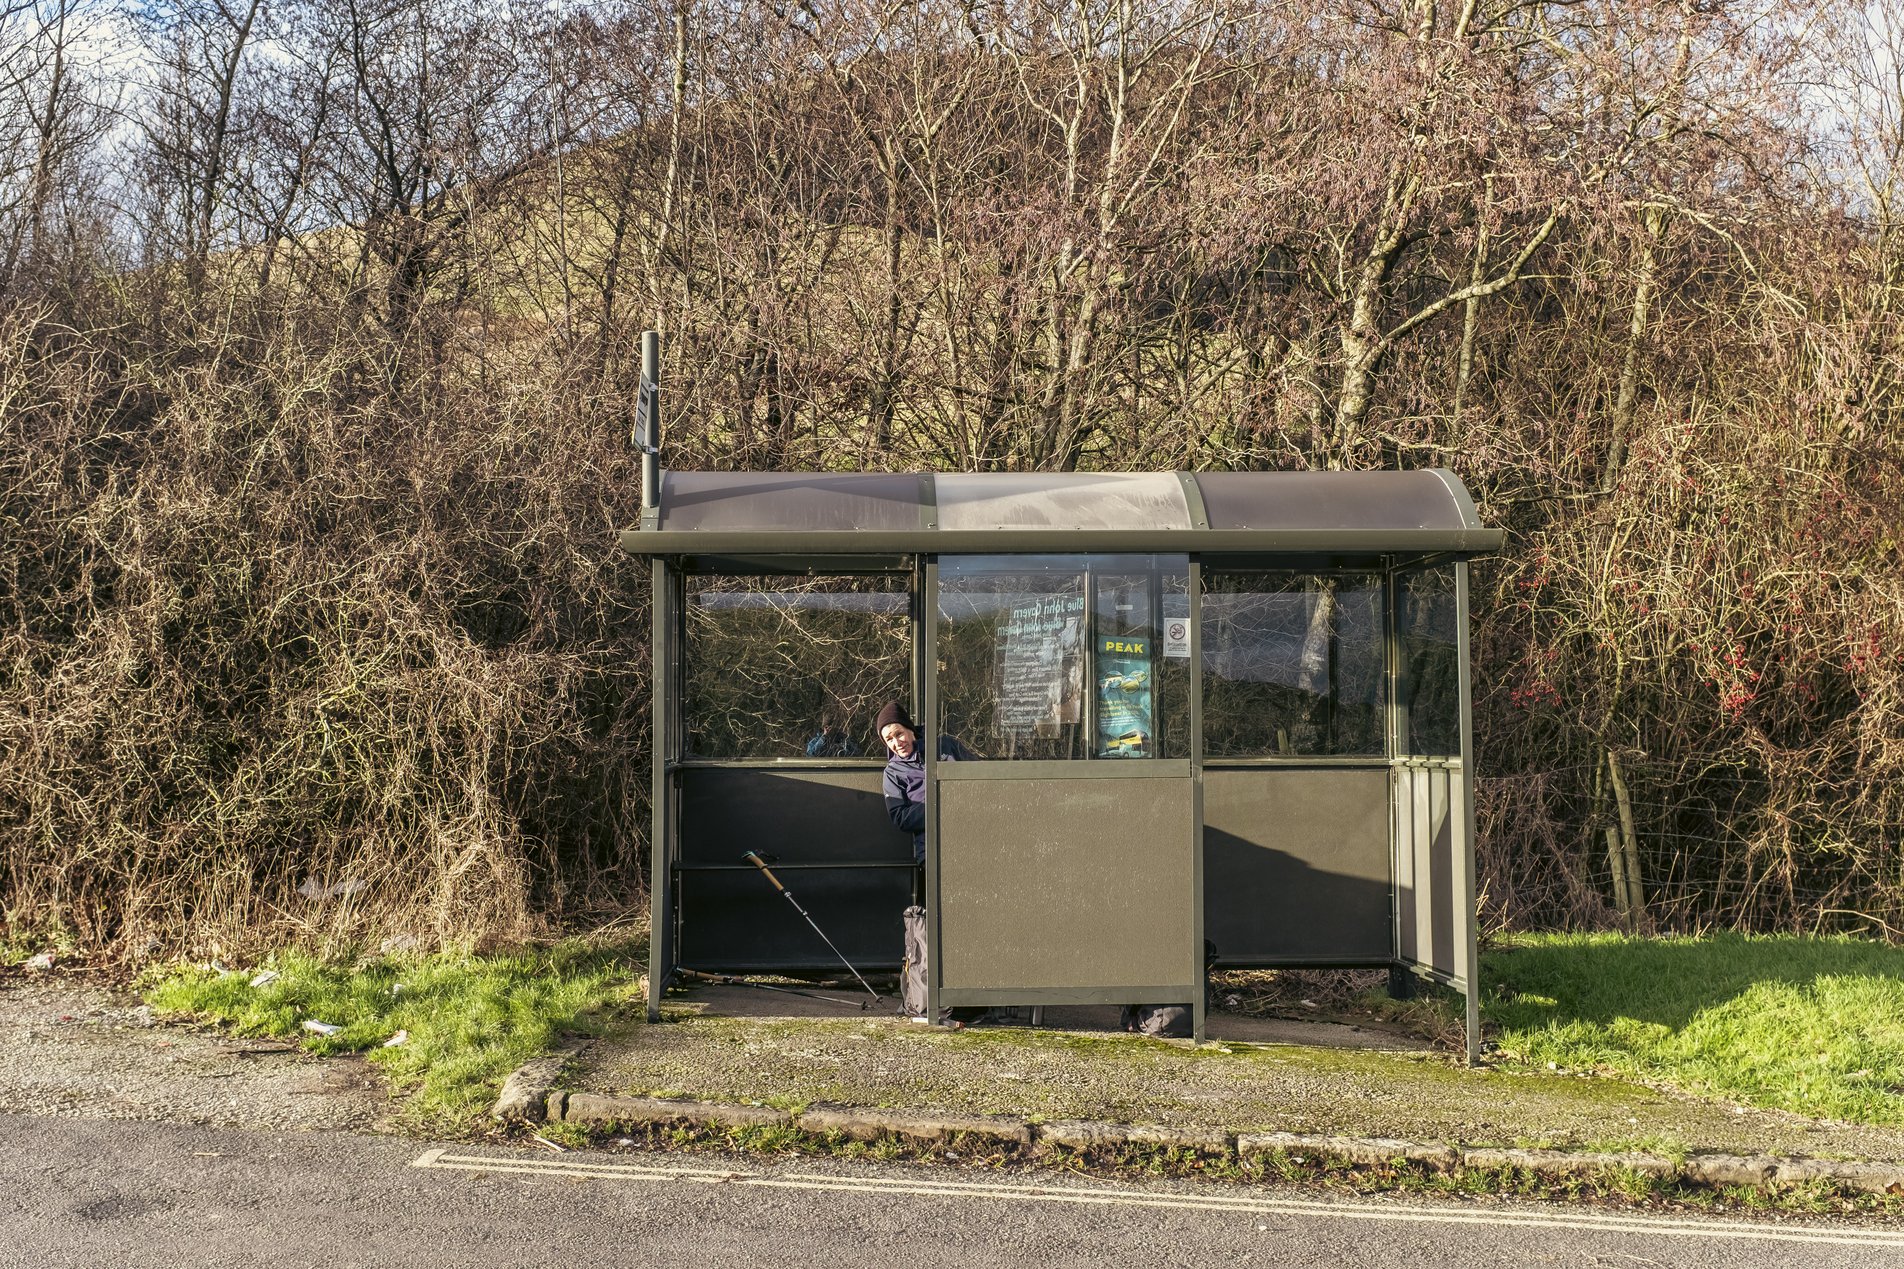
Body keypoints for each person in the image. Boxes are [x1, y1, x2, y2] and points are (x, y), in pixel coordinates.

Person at [876, 700, 974, 867]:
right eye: (889, 739)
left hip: (970, 834)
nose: (896, 743)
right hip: (931, 850)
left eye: (899, 734)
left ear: (910, 729)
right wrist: (939, 806)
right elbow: (900, 817)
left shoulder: (945, 746)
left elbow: (978, 777)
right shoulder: (892, 772)